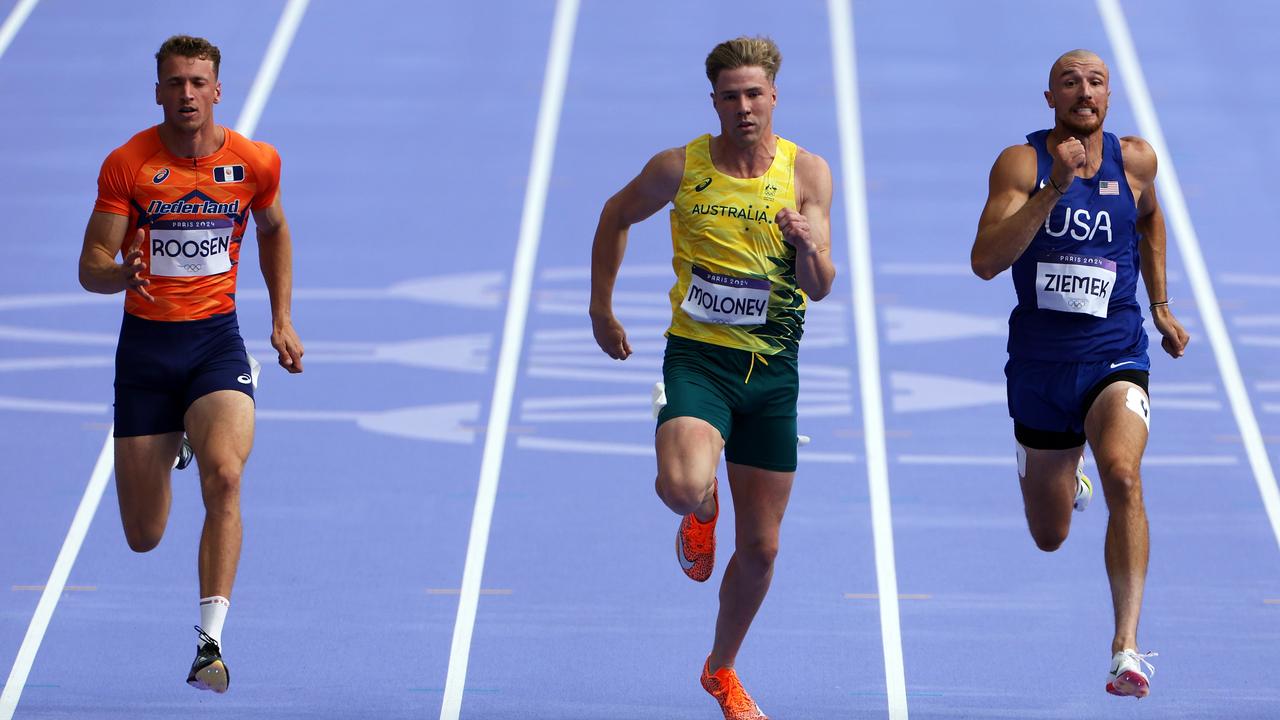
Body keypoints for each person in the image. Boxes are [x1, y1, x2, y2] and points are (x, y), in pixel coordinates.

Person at [590, 36, 834, 720]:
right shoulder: (680, 167)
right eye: (731, 97)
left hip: (773, 374)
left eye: (755, 94)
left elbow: (820, 286)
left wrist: (806, 244)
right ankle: (702, 511)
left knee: (760, 550)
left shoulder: (807, 174)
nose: (744, 107)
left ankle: (721, 670)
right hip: (698, 358)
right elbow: (615, 214)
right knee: (680, 485)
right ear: (715, 103)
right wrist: (600, 307)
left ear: (774, 96)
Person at [77, 35, 304, 694]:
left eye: (198, 82)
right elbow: (89, 263)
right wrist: (121, 273)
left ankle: (210, 642)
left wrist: (281, 318)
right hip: (147, 355)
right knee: (144, 535)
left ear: (217, 90)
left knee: (227, 476)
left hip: (215, 345)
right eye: (174, 83)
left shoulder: (254, 161)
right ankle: (178, 440)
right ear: (158, 92)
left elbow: (275, 230)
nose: (186, 94)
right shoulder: (128, 164)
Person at [971, 49, 1189, 699]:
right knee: (1050, 534)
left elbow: (1149, 220)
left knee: (1124, 473)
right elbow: (986, 261)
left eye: (1095, 82)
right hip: (1040, 366)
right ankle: (1056, 472)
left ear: (1109, 97)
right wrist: (1055, 191)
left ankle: (1126, 648)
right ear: (1050, 99)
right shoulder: (1022, 163)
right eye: (1070, 83)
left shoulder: (1137, 160)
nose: (1083, 92)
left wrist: (1160, 305)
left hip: (1114, 352)